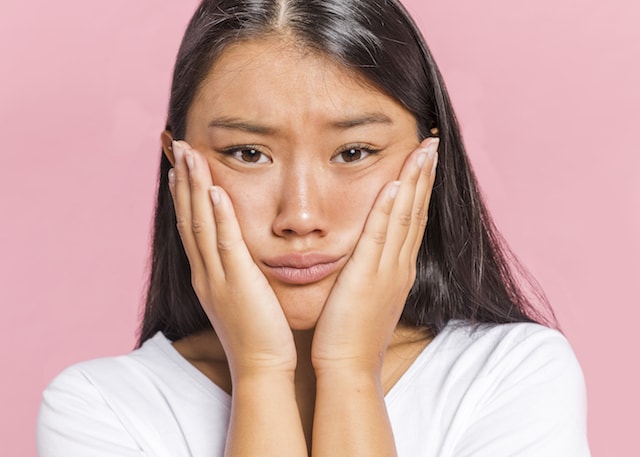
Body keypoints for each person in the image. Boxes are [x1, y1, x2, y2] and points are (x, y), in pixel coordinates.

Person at [37, 0, 590, 456]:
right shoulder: (99, 408)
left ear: (429, 160)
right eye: (248, 153)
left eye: (353, 152)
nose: (300, 217)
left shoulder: (509, 377)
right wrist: (260, 373)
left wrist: (350, 369)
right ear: (176, 165)